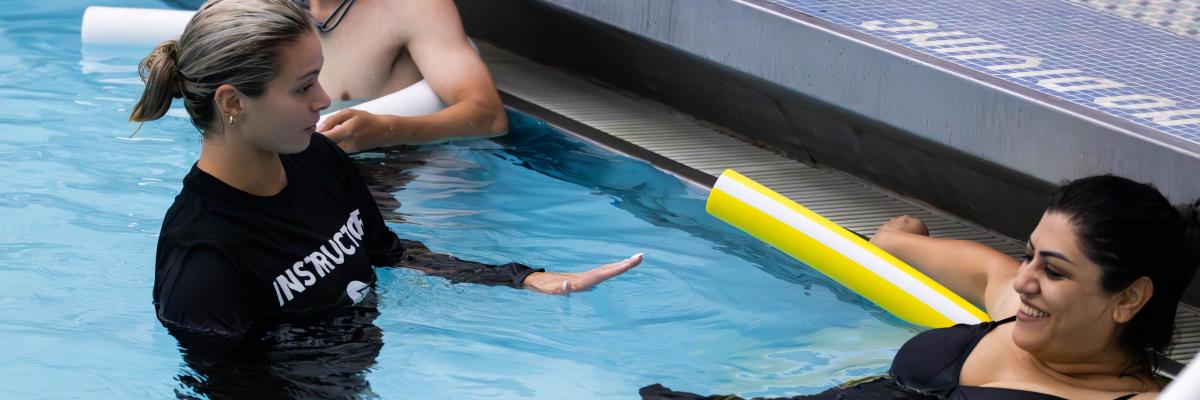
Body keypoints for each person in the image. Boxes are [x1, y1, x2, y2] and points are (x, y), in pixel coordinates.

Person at [132, 0, 642, 344]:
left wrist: (522, 278)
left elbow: (389, 253)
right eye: (302, 86)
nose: (325, 99)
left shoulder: (320, 161)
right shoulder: (205, 260)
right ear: (233, 103)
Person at [642, 175, 1199, 399]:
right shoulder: (1016, 308)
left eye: (1054, 271)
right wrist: (898, 240)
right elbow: (953, 261)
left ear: (1129, 297)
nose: (1025, 279)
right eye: (1029, 255)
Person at [293, 0, 509, 152]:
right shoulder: (268, 10)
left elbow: (489, 115)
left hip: (398, 175)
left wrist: (387, 131)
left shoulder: (411, 6)